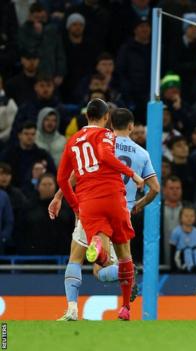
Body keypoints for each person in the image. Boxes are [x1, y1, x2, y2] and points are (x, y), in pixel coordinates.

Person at [52, 107, 160, 321]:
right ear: (131, 126)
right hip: (121, 206)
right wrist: (138, 203)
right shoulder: (140, 152)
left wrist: (61, 198)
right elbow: (155, 188)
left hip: (91, 203)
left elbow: (72, 175)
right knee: (124, 259)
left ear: (110, 122)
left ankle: (72, 309)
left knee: (83, 261)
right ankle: (126, 308)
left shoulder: (91, 140)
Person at [170, 206, 196, 272]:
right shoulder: (176, 232)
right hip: (181, 256)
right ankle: (188, 267)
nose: (189, 218)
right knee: (187, 251)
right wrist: (173, 267)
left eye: (192, 216)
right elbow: (173, 249)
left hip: (193, 254)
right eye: (186, 216)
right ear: (180, 218)